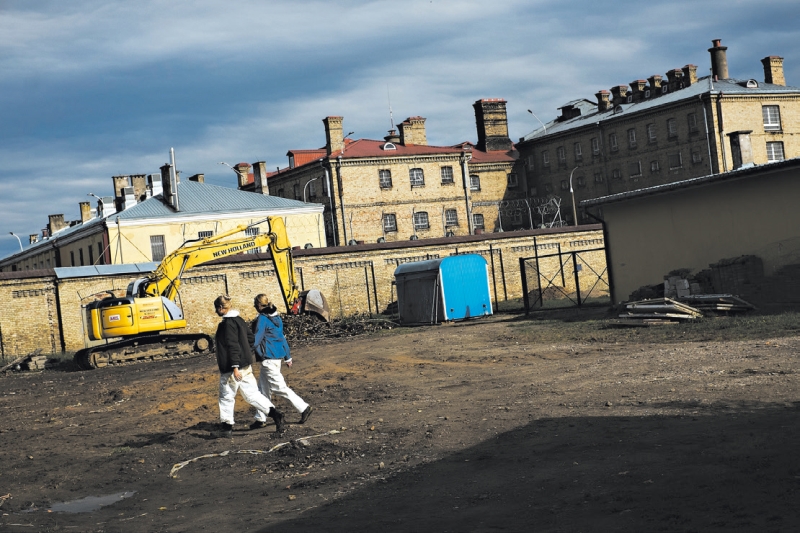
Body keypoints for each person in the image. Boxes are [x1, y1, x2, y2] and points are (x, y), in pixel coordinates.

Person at [213, 295, 285, 437]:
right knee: (252, 395)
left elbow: (232, 345)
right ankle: (275, 414)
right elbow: (251, 338)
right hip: (246, 364)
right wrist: (245, 353)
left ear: (221, 308)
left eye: (216, 309)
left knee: (226, 396)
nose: (216, 311)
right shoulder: (239, 320)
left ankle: (226, 427)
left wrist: (234, 366)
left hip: (232, 368)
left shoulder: (227, 324)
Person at [249, 293, 313, 429]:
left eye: (255, 305)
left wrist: (244, 349)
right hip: (276, 357)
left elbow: (256, 339)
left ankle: (304, 407)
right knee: (262, 389)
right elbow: (282, 338)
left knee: (279, 388)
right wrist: (287, 356)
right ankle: (261, 418)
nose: (254, 307)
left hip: (268, 358)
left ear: (260, 306)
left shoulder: (262, 319)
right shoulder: (276, 318)